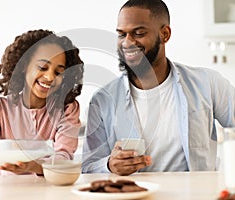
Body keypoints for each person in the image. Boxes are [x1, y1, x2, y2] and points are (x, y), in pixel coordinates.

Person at [82, 0, 235, 176]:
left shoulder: (208, 83)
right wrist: (109, 165)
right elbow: (87, 168)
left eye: (138, 33)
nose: (127, 43)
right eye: (121, 34)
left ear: (165, 34)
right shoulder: (103, 100)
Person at [0, 29, 84, 177]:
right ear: (23, 67)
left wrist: (36, 166)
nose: (50, 76)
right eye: (42, 67)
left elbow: (64, 156)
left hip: (49, 190)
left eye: (58, 72)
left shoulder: (66, 110)